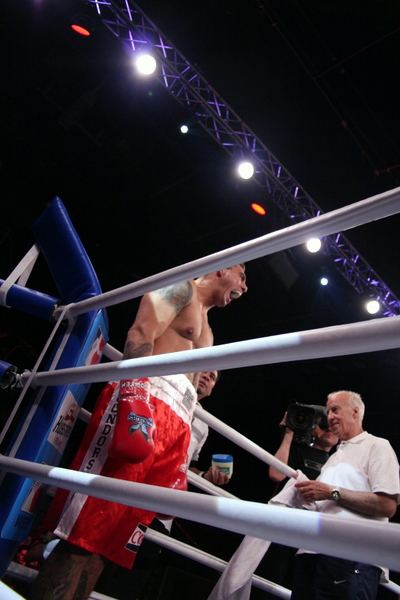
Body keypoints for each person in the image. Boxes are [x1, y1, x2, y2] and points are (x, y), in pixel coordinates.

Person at [29, 266, 247, 600]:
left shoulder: (208, 329)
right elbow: (141, 331)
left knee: (111, 542)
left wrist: (180, 452)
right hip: (146, 400)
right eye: (242, 276)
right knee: (84, 530)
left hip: (177, 422)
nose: (244, 287)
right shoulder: (182, 287)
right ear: (223, 268)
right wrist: (134, 395)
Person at [94, 369, 227, 600]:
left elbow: (188, 465)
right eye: (205, 371)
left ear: (213, 388)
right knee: (101, 568)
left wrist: (205, 476)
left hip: (161, 515)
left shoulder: (205, 424)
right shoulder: (166, 390)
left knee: (129, 583)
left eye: (213, 377)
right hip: (132, 494)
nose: (207, 377)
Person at [292, 390, 400, 600]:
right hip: (311, 553)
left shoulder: (377, 446)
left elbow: (387, 505)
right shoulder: (332, 459)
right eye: (328, 412)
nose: (330, 417)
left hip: (351, 555)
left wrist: (332, 492)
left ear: (355, 412)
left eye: (335, 410)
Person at [253, 411, 338, 598]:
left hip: (314, 536)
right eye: (323, 425)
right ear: (313, 429)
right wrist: (289, 433)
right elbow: (275, 474)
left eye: (333, 426)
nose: (328, 429)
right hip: (285, 528)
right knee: (267, 584)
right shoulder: (298, 450)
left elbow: (339, 497)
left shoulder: (339, 464)